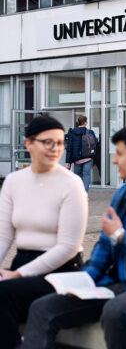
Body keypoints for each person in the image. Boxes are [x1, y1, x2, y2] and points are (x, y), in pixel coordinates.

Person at [22, 124, 126, 349]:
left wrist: (123, 237)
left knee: (117, 311)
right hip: (115, 283)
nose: (114, 160)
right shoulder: (123, 194)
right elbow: (104, 248)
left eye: (119, 154)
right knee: (43, 307)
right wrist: (82, 281)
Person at [0, 116, 88, 349]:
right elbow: (3, 236)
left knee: (2, 294)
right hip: (23, 263)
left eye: (60, 143)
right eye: (47, 142)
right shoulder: (13, 181)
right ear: (29, 143)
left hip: (61, 271)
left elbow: (68, 247)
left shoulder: (71, 184)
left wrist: (18, 275)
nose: (55, 148)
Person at [66, 115, 98, 192]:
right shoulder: (90, 132)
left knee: (77, 177)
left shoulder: (72, 132)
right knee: (86, 176)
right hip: (88, 158)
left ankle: (78, 194)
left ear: (78, 123)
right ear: (85, 123)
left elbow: (69, 147)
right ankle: (85, 195)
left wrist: (68, 162)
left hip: (77, 159)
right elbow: (96, 143)